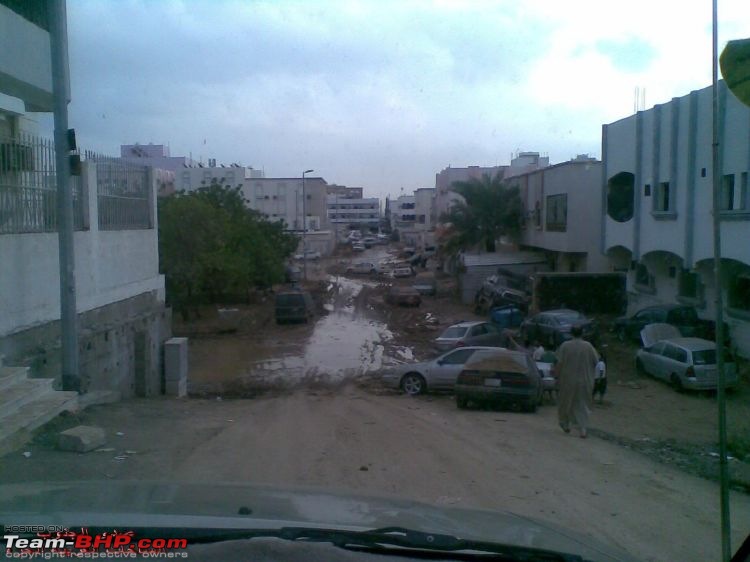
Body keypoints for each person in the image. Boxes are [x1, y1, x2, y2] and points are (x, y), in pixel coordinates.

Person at [554, 325, 599, 438]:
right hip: (585, 380)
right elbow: (596, 361)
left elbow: (559, 363)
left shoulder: (565, 345)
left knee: (565, 402)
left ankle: (564, 423)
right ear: (582, 333)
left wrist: (556, 375)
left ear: (571, 333)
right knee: (582, 404)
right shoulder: (588, 346)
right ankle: (583, 429)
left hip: (567, 379)